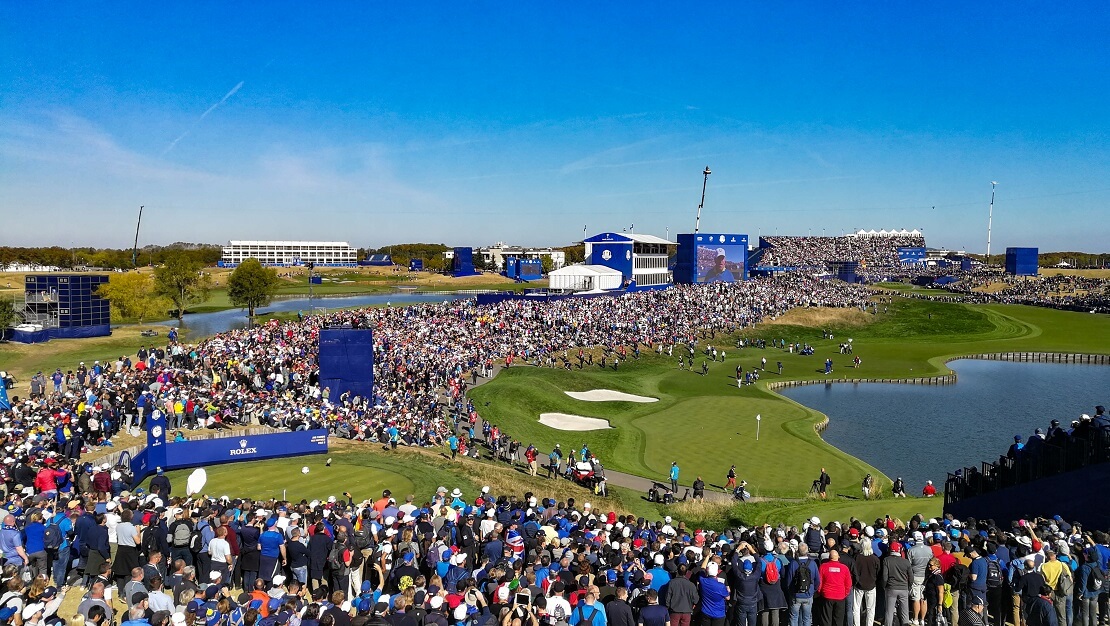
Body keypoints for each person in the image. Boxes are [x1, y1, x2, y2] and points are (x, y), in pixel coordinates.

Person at [817, 550, 852, 626]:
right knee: (838, 620)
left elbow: (819, 582)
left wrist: (820, 592)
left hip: (827, 596)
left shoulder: (823, 566)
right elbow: (848, 584)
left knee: (826, 620)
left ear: (829, 557)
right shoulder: (844, 568)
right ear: (838, 557)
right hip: (840, 596)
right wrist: (844, 594)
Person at [881, 543, 912, 626]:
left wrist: (884, 586)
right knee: (905, 611)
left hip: (891, 588)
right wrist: (908, 586)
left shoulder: (886, 560)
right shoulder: (906, 562)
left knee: (889, 611)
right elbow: (911, 577)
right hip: (904, 588)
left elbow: (885, 576)